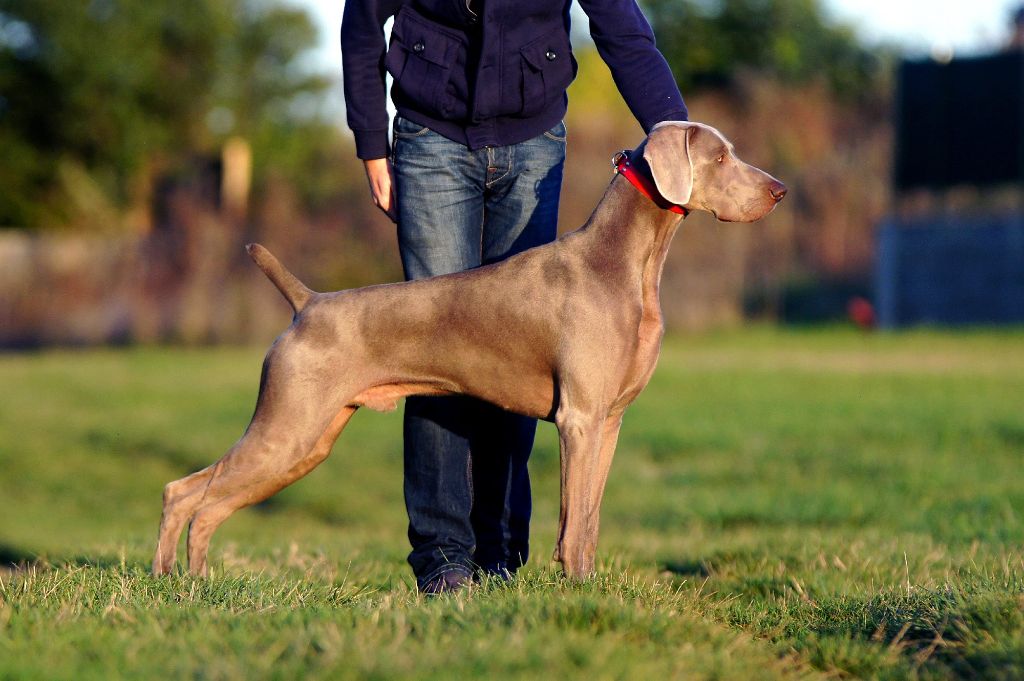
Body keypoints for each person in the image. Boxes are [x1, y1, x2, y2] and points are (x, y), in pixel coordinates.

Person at [341, 0, 687, 594]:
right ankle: (444, 558)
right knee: (430, 351)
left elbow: (624, 32)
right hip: (431, 134)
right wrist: (372, 140)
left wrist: (677, 139)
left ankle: (501, 549)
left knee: (522, 351)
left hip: (534, 140)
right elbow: (363, 21)